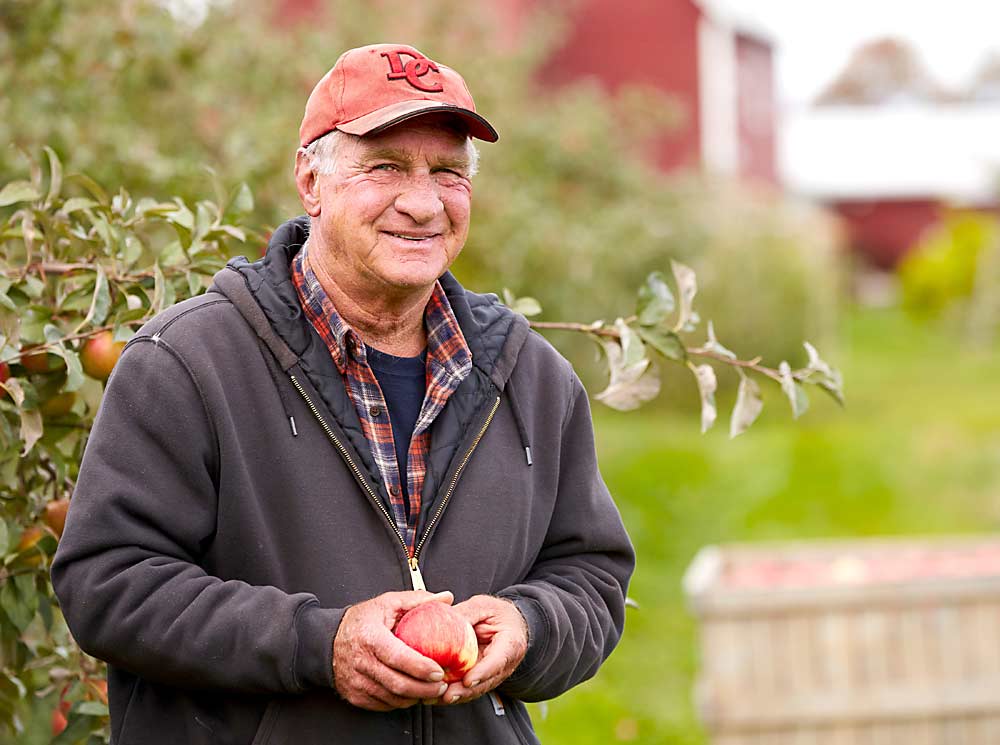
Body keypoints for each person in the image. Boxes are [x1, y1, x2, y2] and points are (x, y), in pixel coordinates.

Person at [52, 43, 635, 745]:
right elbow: (108, 583)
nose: (421, 203)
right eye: (385, 167)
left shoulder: (531, 379)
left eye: (447, 172)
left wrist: (531, 625)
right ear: (311, 180)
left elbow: (592, 575)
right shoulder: (186, 363)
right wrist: (315, 644)